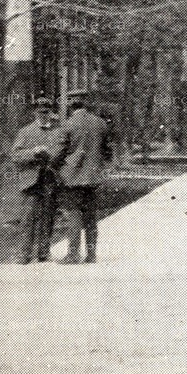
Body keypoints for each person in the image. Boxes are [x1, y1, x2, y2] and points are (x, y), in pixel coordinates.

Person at [54, 90, 111, 264]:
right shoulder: (100, 124)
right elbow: (107, 152)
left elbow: (58, 153)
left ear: (71, 104)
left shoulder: (68, 125)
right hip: (93, 178)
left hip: (72, 178)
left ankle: (73, 254)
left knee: (74, 215)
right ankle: (91, 254)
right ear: (86, 102)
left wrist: (56, 168)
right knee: (91, 217)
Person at [8, 97, 61, 263]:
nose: (44, 115)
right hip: (30, 181)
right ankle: (24, 254)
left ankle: (44, 253)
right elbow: (15, 156)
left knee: (48, 217)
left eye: (46, 112)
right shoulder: (25, 132)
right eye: (40, 112)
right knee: (27, 218)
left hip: (50, 180)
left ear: (50, 112)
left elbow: (62, 153)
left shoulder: (58, 131)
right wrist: (34, 152)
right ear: (34, 112)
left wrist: (53, 156)